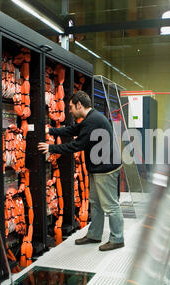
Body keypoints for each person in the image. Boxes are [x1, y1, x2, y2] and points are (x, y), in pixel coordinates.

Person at [37, 90, 124, 251]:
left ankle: (117, 238)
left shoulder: (93, 121)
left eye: (70, 107)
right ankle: (94, 235)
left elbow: (76, 145)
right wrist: (50, 130)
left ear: (79, 105)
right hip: (99, 168)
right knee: (95, 203)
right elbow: (73, 130)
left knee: (110, 205)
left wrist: (51, 148)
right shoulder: (90, 118)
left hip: (105, 169)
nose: (69, 111)